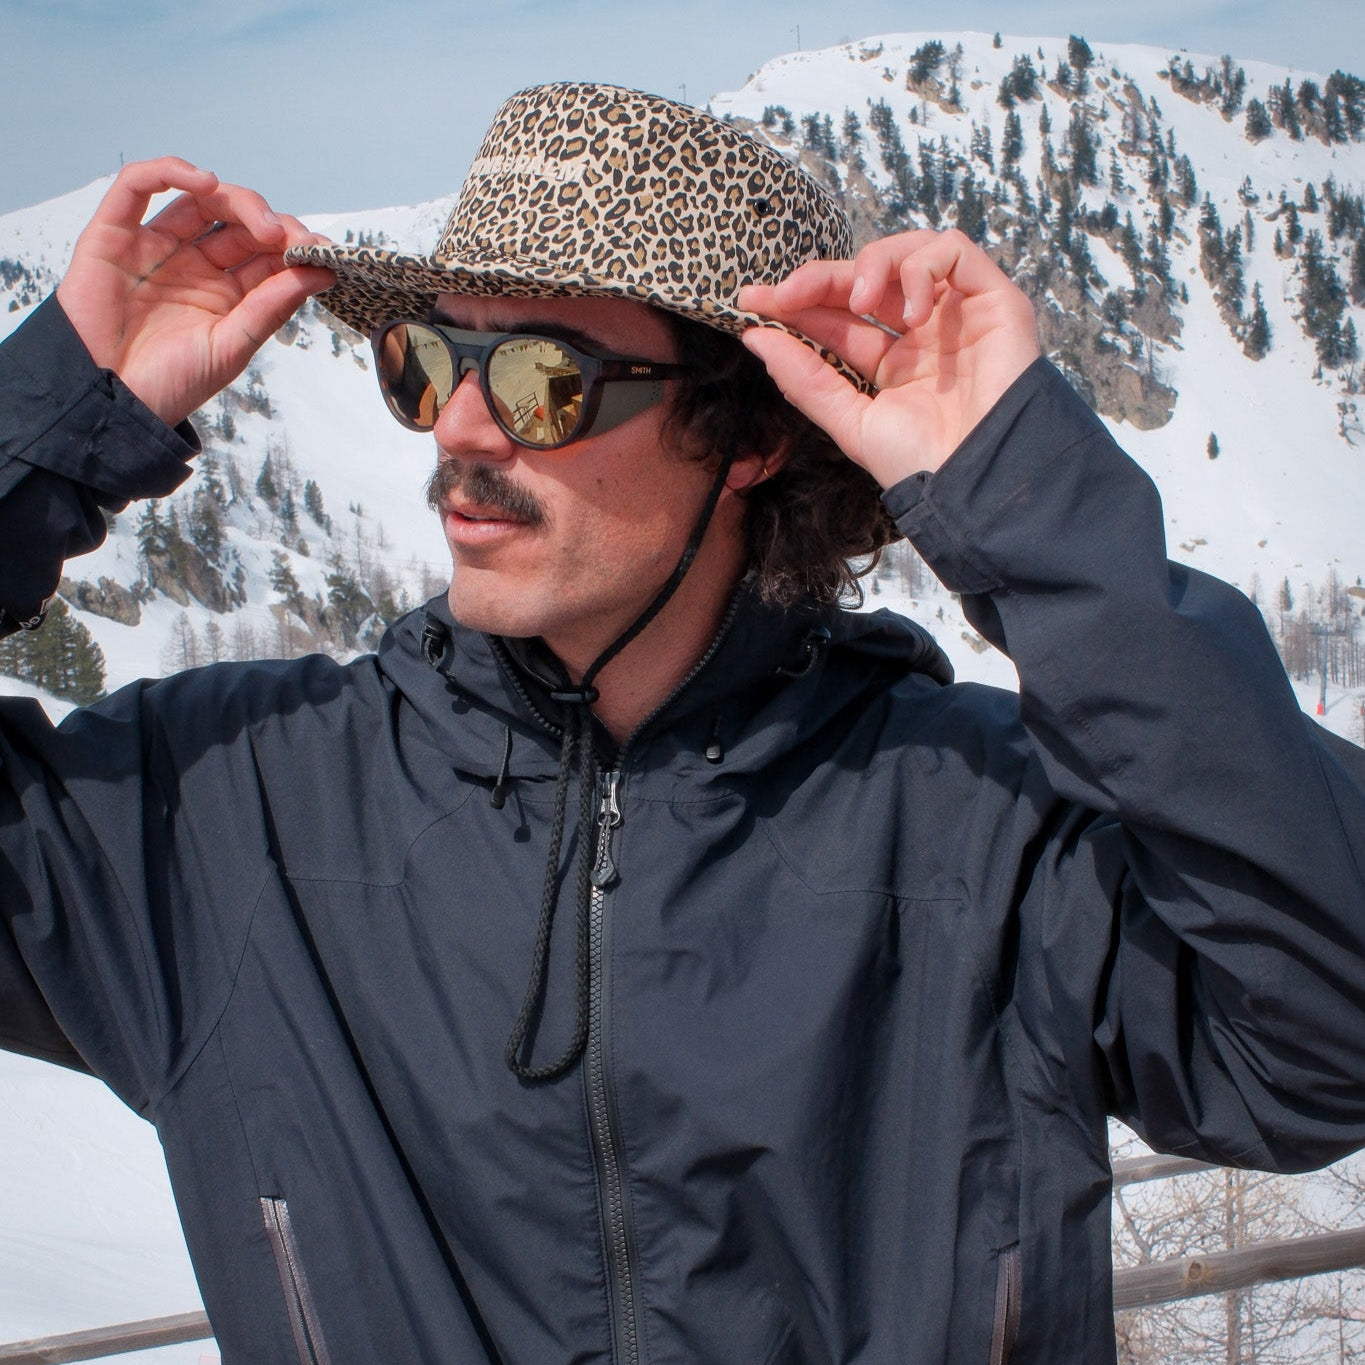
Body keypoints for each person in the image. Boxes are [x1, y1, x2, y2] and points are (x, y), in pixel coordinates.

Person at [1, 81, 1363, 1365]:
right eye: (427, 362)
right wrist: (51, 422)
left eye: (542, 378)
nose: (459, 427)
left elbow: (1327, 1039)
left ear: (748, 434)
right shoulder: (224, 814)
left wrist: (1030, 512)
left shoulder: (987, 828)